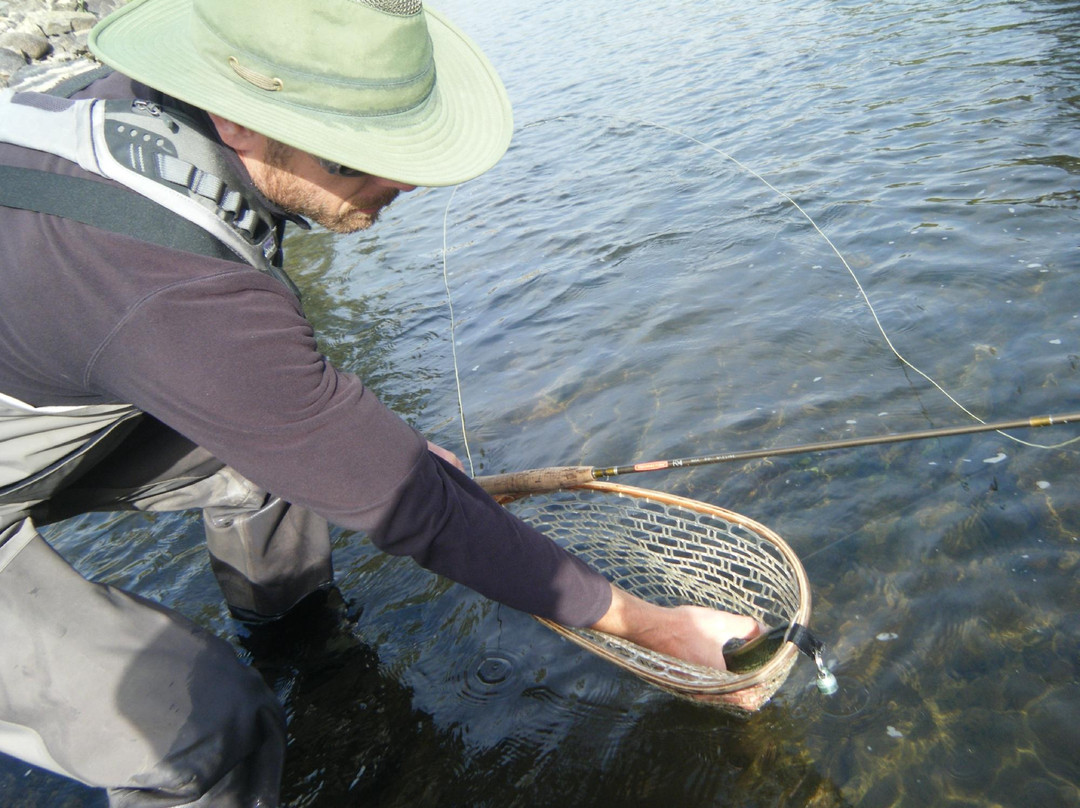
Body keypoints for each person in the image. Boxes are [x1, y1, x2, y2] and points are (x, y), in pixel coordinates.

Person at [0, 0, 761, 805]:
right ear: (237, 122)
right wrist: (657, 626)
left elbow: (259, 380)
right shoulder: (165, 283)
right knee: (202, 732)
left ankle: (303, 651)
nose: (400, 180)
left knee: (278, 473)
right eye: (353, 159)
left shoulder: (129, 111)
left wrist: (354, 450)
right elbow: (415, 510)